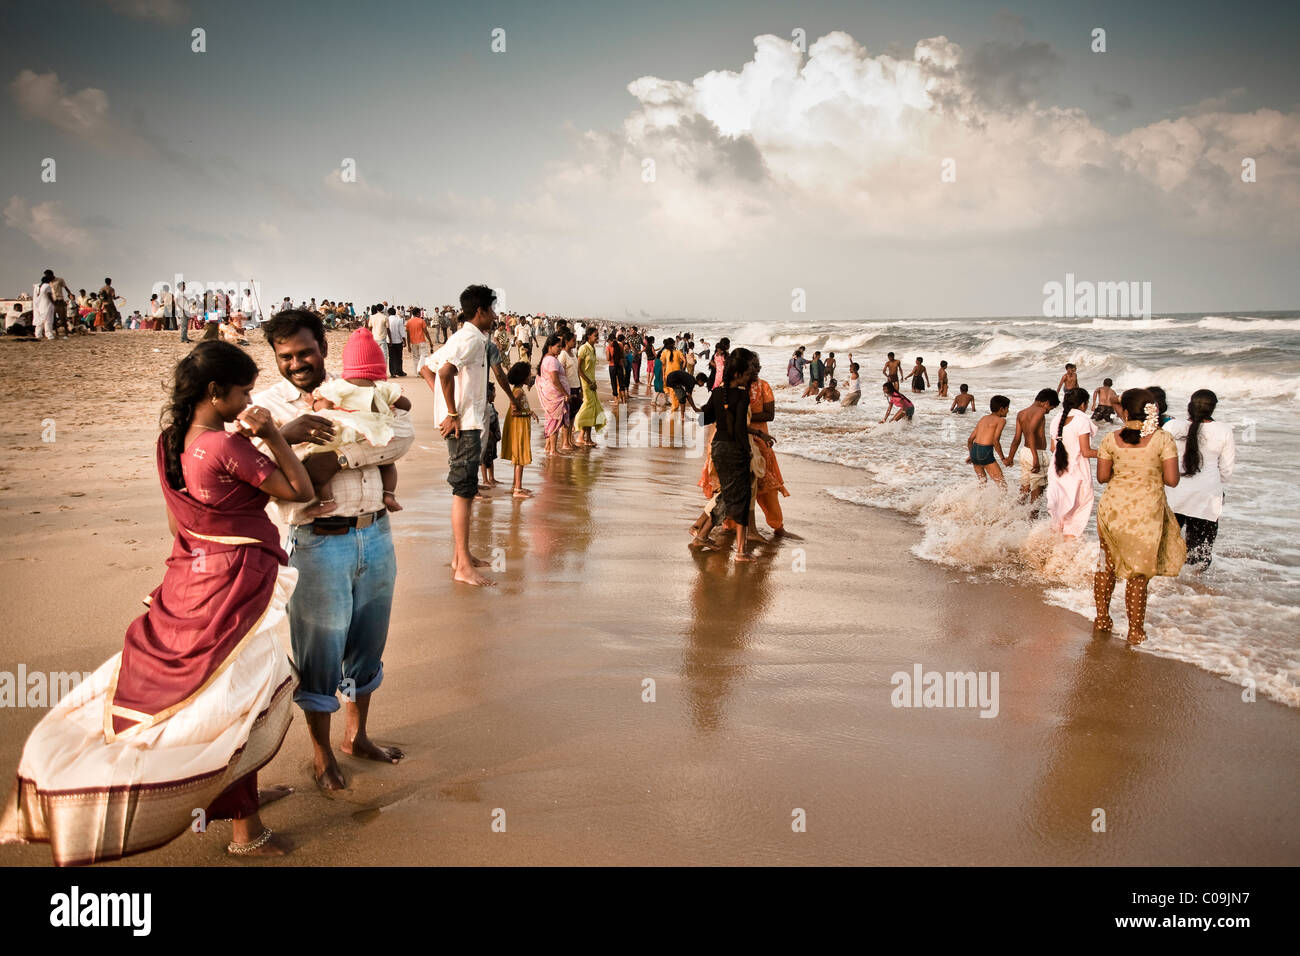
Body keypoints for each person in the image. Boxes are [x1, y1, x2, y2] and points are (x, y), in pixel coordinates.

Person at [0, 341, 315, 863]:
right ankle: (246, 831)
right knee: (236, 700)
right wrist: (274, 434)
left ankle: (236, 795)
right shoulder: (225, 446)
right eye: (243, 391)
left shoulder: (171, 441)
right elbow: (298, 490)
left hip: (191, 581)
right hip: (235, 587)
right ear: (217, 392)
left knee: (218, 697)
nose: (249, 398)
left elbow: (179, 522)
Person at [254, 310, 411, 789]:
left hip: (376, 532)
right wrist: (289, 437)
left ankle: (357, 735)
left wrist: (336, 456)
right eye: (286, 357)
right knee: (319, 653)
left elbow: (399, 438)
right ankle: (322, 754)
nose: (297, 363)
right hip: (318, 544)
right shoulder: (268, 409)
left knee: (368, 643)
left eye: (305, 352)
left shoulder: (355, 389)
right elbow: (262, 474)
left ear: (323, 347)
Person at [1094, 388, 1186, 644]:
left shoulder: (1111, 439)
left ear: (1124, 411)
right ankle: (1135, 630)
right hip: (1146, 514)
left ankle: (1102, 619)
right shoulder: (1162, 440)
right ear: (1151, 411)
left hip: (1112, 511)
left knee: (1105, 567)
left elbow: (1102, 478)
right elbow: (1172, 480)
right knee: (1138, 575)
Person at [421, 284, 498, 587]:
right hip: (464, 425)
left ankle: (460, 556)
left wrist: (443, 404)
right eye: (492, 310)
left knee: (465, 489)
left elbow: (426, 367)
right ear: (480, 311)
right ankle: (462, 565)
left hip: (461, 423)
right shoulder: (472, 340)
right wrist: (451, 413)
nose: (494, 316)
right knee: (464, 491)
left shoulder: (461, 336)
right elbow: (443, 372)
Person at [302, 328, 411, 517]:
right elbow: (406, 405)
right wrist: (389, 404)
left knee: (321, 455)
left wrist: (313, 404)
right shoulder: (383, 387)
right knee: (387, 462)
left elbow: (325, 405)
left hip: (350, 431)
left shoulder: (340, 386)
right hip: (378, 430)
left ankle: (327, 502)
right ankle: (389, 494)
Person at [698, 348, 772, 562]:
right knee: (741, 497)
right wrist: (747, 452)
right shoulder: (741, 395)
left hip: (719, 447)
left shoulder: (718, 392)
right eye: (748, 373)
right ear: (738, 374)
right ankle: (741, 551)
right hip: (735, 449)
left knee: (728, 496)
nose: (751, 377)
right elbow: (740, 428)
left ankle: (702, 535)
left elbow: (704, 419)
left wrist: (700, 408)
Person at [1165, 389, 1235, 569]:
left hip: (1173, 493)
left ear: (1190, 406)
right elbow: (1226, 471)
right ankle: (1193, 588)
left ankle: (1165, 586)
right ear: (1213, 409)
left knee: (1165, 544)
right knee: (1199, 553)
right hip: (1206, 496)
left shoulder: (1172, 426)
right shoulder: (1224, 430)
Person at [1046, 387, 1098, 537]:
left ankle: (1051, 552)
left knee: (1058, 518)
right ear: (1083, 404)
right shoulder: (1082, 420)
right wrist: (1109, 453)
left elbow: (1052, 448)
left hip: (1057, 472)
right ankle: (1066, 556)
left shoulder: (1057, 419)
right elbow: (1086, 451)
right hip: (1077, 474)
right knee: (1076, 517)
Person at [748, 358, 790, 536]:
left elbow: (769, 414)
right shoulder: (735, 387)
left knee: (767, 486)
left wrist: (743, 418)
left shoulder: (763, 386)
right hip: (739, 439)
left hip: (760, 440)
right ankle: (733, 526)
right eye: (753, 365)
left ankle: (777, 524)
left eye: (758, 365)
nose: (757, 368)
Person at [1006, 389, 1061, 507]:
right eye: (1050, 408)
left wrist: (1010, 457)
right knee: (1037, 494)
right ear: (1046, 402)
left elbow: (1017, 438)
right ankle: (1032, 522)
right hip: (1036, 453)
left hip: (1024, 452)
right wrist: (1036, 457)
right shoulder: (1040, 411)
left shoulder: (1021, 413)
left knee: (1024, 491)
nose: (1048, 411)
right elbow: (1030, 432)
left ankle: (1012, 517)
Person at [502, 362, 538, 498]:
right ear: (523, 377)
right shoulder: (519, 392)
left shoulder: (518, 390)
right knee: (520, 458)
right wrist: (528, 413)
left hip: (520, 425)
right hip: (519, 426)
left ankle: (515, 485)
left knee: (519, 457)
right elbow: (514, 411)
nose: (530, 376)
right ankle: (518, 489)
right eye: (529, 374)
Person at [535, 333, 571, 454]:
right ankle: (553, 450)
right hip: (555, 396)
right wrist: (565, 393)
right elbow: (555, 380)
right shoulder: (551, 360)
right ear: (550, 346)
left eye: (561, 347)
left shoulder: (547, 358)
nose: (560, 349)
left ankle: (550, 448)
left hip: (552, 394)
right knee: (554, 421)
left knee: (552, 420)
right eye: (558, 346)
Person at [966, 395, 1012, 486]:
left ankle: (975, 500)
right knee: (1002, 486)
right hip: (985, 452)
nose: (1008, 411)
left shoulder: (983, 418)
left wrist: (971, 454)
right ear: (1002, 409)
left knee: (982, 484)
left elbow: (970, 440)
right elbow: (995, 441)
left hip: (974, 450)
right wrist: (1003, 459)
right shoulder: (1001, 420)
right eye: (1007, 408)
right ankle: (1003, 501)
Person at [574, 326, 607, 446]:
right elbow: (579, 370)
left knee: (593, 410)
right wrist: (588, 382)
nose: (598, 337)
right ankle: (577, 427)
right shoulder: (583, 349)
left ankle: (587, 437)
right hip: (585, 383)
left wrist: (593, 382)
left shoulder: (593, 348)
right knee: (587, 407)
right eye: (596, 335)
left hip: (592, 383)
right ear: (588, 336)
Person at [481, 381, 501, 489]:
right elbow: (483, 421)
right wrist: (487, 431)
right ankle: (485, 479)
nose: (495, 395)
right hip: (487, 434)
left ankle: (492, 477)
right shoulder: (485, 407)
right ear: (488, 394)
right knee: (485, 457)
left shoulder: (490, 405)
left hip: (493, 435)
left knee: (492, 456)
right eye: (494, 392)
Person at [33, 275, 55, 340]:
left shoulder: (37, 286)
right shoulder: (47, 286)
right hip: (46, 305)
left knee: (40, 320)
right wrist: (54, 303)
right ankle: (49, 335)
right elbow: (49, 295)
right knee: (48, 320)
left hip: (38, 305)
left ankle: (38, 334)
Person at [386, 307, 406, 377]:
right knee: (399, 357)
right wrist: (404, 341)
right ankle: (399, 371)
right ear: (395, 312)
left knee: (391, 357)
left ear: (388, 313)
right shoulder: (399, 320)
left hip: (389, 341)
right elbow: (402, 332)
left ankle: (392, 373)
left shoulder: (387, 319)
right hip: (398, 341)